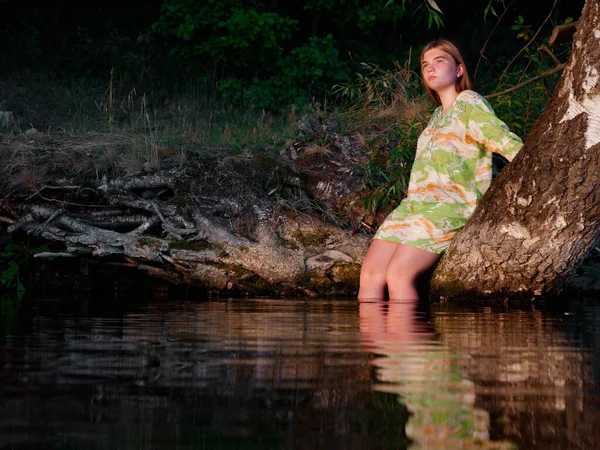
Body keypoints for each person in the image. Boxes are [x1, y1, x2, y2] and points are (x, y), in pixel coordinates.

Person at [358, 39, 523, 300]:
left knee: (398, 275)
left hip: (449, 206)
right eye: (425, 65)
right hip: (413, 206)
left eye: (439, 61)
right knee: (369, 275)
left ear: (459, 70)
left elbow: (505, 141)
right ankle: (378, 341)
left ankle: (406, 340)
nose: (430, 69)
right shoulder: (436, 116)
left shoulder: (469, 103)